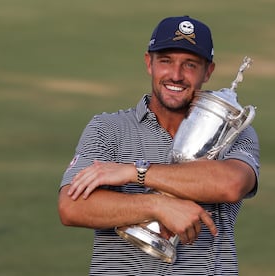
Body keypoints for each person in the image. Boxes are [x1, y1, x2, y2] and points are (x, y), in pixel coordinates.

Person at [58, 15, 260, 276]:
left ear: (208, 71)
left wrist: (135, 172)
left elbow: (231, 184)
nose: (176, 75)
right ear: (149, 63)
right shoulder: (108, 128)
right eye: (166, 61)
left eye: (190, 65)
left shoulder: (233, 131)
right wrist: (157, 205)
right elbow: (71, 207)